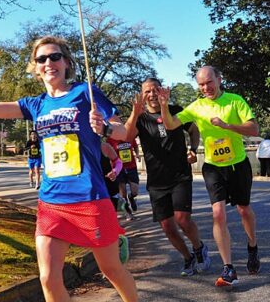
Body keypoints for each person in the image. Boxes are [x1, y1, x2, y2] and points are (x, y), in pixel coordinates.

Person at [0, 36, 153, 302]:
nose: (48, 63)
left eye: (55, 57)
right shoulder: (34, 104)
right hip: (52, 202)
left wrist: (105, 126)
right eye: (41, 59)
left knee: (111, 269)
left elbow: (123, 132)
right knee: (47, 277)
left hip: (90, 197)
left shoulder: (86, 92)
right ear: (35, 67)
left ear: (67, 62)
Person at [157, 66, 261, 288]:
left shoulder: (235, 101)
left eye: (209, 82)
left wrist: (227, 126)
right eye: (201, 85)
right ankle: (228, 268)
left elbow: (254, 129)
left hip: (238, 165)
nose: (206, 88)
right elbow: (171, 124)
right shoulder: (197, 107)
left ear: (219, 79)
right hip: (213, 166)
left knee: (244, 210)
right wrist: (164, 105)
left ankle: (252, 246)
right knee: (218, 214)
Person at [125, 77, 212, 277]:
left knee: (182, 219)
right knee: (167, 227)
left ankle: (199, 248)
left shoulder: (175, 110)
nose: (152, 94)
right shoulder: (140, 118)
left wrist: (192, 149)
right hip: (156, 180)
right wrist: (133, 112)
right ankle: (187, 258)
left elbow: (193, 129)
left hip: (180, 175)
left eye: (155, 89)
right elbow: (128, 137)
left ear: (162, 90)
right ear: (142, 96)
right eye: (147, 91)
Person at [106, 137, 140, 220]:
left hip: (131, 167)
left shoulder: (129, 136)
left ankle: (131, 197)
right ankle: (128, 212)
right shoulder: (110, 140)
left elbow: (135, 146)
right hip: (119, 169)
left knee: (135, 191)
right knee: (123, 194)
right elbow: (107, 153)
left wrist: (137, 154)